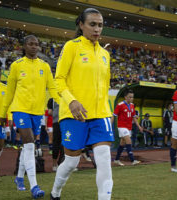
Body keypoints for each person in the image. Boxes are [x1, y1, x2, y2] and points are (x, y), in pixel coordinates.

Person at [50, 8, 114, 200]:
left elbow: (104, 87)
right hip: (74, 114)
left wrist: (108, 111)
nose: (97, 29)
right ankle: (56, 192)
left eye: (100, 25)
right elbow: (58, 80)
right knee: (71, 162)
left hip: (100, 115)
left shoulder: (105, 54)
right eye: (92, 24)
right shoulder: (72, 46)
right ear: (81, 25)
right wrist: (72, 101)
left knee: (104, 159)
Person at [0, 35, 60, 198]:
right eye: (31, 44)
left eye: (37, 44)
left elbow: (53, 89)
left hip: (37, 112)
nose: (34, 47)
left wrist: (64, 102)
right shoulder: (16, 65)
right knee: (29, 143)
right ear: (24, 46)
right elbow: (10, 91)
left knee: (29, 146)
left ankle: (19, 178)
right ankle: (34, 186)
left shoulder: (45, 66)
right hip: (20, 109)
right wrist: (3, 113)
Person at [112, 89, 143, 166]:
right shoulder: (120, 105)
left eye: (132, 97)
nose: (131, 99)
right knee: (129, 141)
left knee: (122, 143)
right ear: (125, 97)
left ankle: (116, 159)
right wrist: (109, 126)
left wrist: (139, 126)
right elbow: (113, 116)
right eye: (130, 97)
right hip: (122, 126)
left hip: (129, 127)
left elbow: (133, 117)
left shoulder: (132, 105)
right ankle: (132, 160)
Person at [47, 98, 65, 172]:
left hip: (62, 122)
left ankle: (58, 164)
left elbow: (50, 112)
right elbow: (49, 112)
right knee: (58, 143)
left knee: (61, 143)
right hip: (60, 122)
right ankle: (55, 164)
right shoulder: (52, 100)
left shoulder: (52, 99)